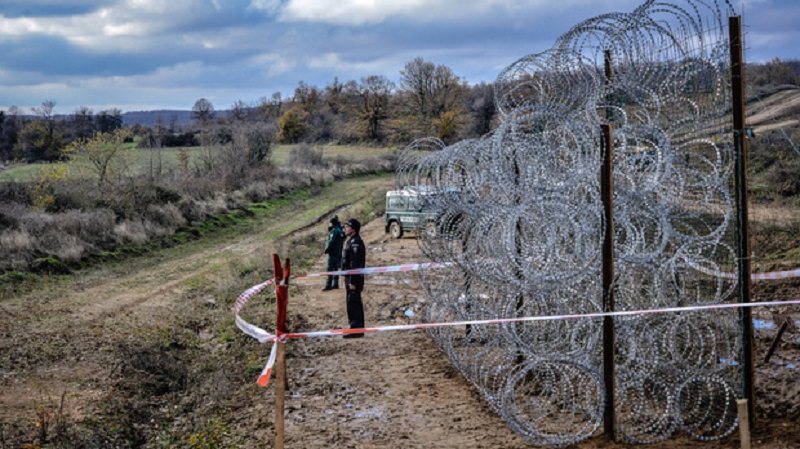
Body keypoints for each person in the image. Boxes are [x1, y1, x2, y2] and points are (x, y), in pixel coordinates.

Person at [341, 218, 365, 338]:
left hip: (353, 279)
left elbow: (355, 264)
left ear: (353, 229)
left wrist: (352, 281)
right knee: (352, 303)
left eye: (347, 227)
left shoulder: (356, 242)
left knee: (354, 304)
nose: (345, 229)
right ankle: (355, 328)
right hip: (350, 277)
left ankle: (356, 329)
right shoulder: (350, 241)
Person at [323, 215, 345, 291]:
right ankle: (335, 283)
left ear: (332, 223)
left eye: (329, 223)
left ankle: (328, 285)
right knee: (335, 268)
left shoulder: (334, 231)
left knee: (330, 268)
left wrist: (326, 249)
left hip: (333, 252)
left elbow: (331, 242)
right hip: (338, 251)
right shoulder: (340, 230)